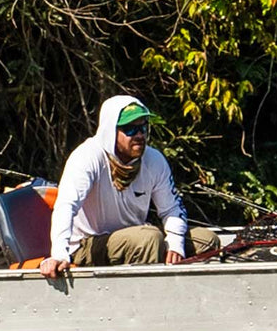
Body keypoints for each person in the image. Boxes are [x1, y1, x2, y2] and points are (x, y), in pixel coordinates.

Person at [40, 95, 220, 279]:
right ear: (111, 131)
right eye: (130, 129)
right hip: (88, 244)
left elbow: (172, 209)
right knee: (149, 239)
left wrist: (175, 245)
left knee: (206, 240)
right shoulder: (87, 157)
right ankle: (153, 302)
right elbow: (66, 206)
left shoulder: (154, 160)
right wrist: (59, 254)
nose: (140, 135)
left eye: (143, 127)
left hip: (137, 236)